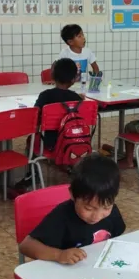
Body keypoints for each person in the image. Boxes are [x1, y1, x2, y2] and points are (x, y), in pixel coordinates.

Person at [18, 154, 125, 264]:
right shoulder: (61, 217)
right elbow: (26, 246)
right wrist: (59, 255)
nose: (97, 217)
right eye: (88, 208)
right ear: (73, 195)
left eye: (106, 207)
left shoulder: (112, 212)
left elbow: (118, 238)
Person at [14, 58, 82, 190]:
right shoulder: (77, 99)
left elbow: (36, 116)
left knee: (31, 140)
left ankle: (32, 175)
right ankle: (67, 164)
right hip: (74, 142)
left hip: (51, 144)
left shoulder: (45, 96)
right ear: (74, 79)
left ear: (52, 76)